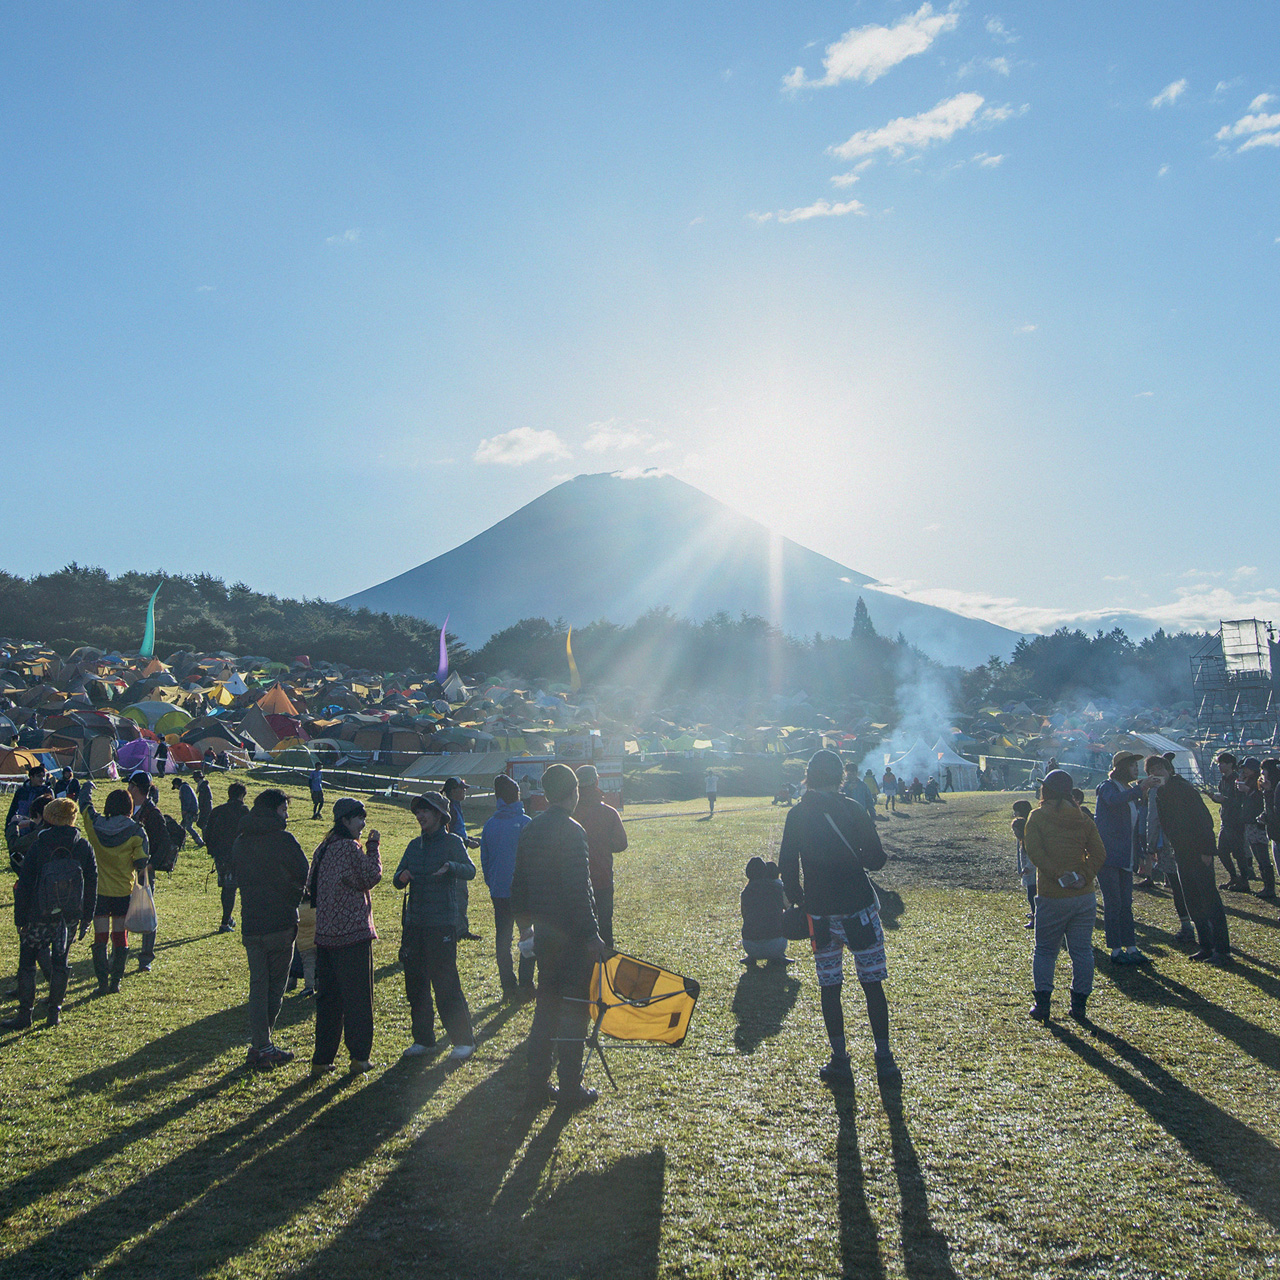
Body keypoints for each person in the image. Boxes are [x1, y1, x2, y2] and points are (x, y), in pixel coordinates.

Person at [779, 749, 897, 1085]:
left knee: (830, 987)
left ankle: (839, 1057)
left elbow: (788, 866)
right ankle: (884, 1057)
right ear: (840, 777)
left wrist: (801, 900)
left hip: (820, 912)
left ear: (809, 776)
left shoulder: (797, 814)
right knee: (872, 985)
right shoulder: (854, 809)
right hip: (859, 908)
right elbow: (875, 859)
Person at [511, 763, 607, 1110]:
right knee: (575, 1013)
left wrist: (525, 927)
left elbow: (517, 884)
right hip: (571, 938)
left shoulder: (531, 829)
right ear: (574, 792)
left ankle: (536, 1085)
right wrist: (592, 935)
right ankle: (570, 1088)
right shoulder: (572, 830)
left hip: (544, 936)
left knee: (546, 1010)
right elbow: (579, 890)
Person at [393, 792, 477, 1060]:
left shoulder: (453, 842)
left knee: (446, 983)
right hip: (415, 924)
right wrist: (401, 877)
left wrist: (451, 867)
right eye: (418, 812)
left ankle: (463, 1041)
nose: (420, 816)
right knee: (415, 985)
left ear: (439, 815)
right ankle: (424, 1040)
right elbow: (397, 878)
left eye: (425, 811)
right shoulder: (413, 845)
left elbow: (470, 870)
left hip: (442, 924)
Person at [1, 798, 97, 1029]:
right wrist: (86, 917)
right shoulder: (82, 845)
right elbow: (92, 881)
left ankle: (25, 1014)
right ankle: (54, 1012)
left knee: (28, 963)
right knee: (60, 963)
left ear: (50, 817)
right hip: (69, 915)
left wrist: (20, 918)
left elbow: (25, 884)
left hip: (38, 913)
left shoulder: (39, 844)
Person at [232, 789, 310, 1069]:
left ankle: (260, 1043)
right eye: (284, 809)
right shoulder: (283, 840)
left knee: (258, 985)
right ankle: (264, 1045)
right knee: (275, 987)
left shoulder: (240, 842)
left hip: (251, 922)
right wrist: (292, 895)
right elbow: (304, 871)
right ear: (275, 809)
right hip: (280, 922)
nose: (287, 815)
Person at [1022, 770, 1107, 1023]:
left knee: (1046, 951)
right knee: (1082, 951)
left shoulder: (1037, 816)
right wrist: (1084, 875)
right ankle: (1079, 1005)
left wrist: (1058, 875)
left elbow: (1034, 852)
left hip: (1051, 894)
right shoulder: (1082, 818)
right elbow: (1099, 854)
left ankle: (1043, 1004)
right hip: (1083, 896)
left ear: (1045, 791)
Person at [308, 797, 382, 1075]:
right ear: (345, 821)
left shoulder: (323, 848)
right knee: (358, 1000)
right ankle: (359, 1058)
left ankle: (321, 1060)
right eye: (359, 818)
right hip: (352, 935)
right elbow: (371, 876)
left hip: (325, 935)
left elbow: (310, 885)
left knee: (328, 1000)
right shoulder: (350, 848)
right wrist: (373, 847)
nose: (363, 824)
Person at [1146, 755, 1231, 961]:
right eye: (1152, 771)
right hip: (1180, 851)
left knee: (1210, 899)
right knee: (1191, 898)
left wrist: (1207, 851)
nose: (1157, 773)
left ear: (1169, 770)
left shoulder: (1183, 789)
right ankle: (1206, 946)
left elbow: (1204, 819)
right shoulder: (1160, 793)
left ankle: (1222, 950)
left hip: (1198, 850)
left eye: (1160, 769)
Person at [78, 783, 148, 995]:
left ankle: (101, 984)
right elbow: (141, 863)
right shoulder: (137, 831)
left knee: (100, 937)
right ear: (129, 807)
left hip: (98, 891)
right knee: (120, 936)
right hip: (122, 892)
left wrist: (87, 788)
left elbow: (84, 806)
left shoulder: (94, 823)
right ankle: (115, 982)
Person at [1094, 751, 1156, 965]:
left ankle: (1131, 947)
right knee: (1113, 903)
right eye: (1132, 766)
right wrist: (1141, 788)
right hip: (1109, 855)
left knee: (1126, 904)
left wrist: (1139, 854)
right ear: (1121, 767)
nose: (1136, 769)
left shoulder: (1130, 790)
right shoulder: (1107, 787)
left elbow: (1133, 825)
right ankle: (1115, 949)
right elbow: (1113, 801)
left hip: (1126, 855)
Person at [480, 773, 534, 998]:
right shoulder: (526, 823)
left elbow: (485, 859)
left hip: (499, 890)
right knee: (528, 936)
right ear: (518, 796)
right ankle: (526, 983)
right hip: (523, 892)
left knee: (502, 939)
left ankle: (507, 985)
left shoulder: (490, 825)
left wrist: (492, 882)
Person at [573, 764, 627, 948]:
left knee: (578, 933)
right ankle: (605, 971)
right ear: (596, 781)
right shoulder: (609, 813)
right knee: (604, 929)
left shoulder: (570, 813)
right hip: (602, 879)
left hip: (574, 883)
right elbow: (621, 844)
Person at [1143, 776, 1197, 944]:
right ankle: (1201, 925)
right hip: (1188, 843)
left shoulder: (1156, 792)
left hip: (1169, 844)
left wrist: (1150, 846)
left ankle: (1188, 925)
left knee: (1178, 887)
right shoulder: (1184, 786)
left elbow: (1153, 819)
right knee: (1190, 885)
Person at [127, 771, 171, 972]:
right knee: (122, 911)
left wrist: (150, 866)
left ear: (136, 788)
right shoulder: (125, 808)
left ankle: (146, 957)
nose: (128, 789)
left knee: (146, 912)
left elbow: (163, 844)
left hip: (144, 871)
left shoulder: (152, 813)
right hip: (125, 870)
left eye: (130, 785)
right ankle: (121, 950)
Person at [205, 781, 250, 932]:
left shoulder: (217, 811)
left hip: (220, 855)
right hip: (236, 855)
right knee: (231, 889)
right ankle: (225, 922)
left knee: (225, 887)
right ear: (242, 795)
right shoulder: (244, 811)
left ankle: (228, 917)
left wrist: (212, 850)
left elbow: (207, 832)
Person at [442, 777, 481, 940]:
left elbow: (459, 831)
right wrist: (467, 842)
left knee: (460, 894)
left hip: (458, 854)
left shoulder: (455, 806)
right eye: (461, 788)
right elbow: (449, 834)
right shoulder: (450, 808)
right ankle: (459, 931)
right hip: (454, 857)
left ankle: (459, 929)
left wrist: (470, 838)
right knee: (459, 894)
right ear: (452, 791)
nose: (464, 791)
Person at [1210, 753, 1250, 891]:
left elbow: (1239, 802)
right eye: (1219, 763)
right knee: (1222, 851)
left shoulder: (1236, 780)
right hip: (1225, 819)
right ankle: (1234, 877)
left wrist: (1224, 800)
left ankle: (1244, 881)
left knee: (1238, 853)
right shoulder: (1223, 780)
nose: (1220, 766)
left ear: (1230, 764)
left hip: (1236, 820)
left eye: (1223, 763)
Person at [1238, 757, 1277, 901]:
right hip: (1250, 822)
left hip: (1258, 824)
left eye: (1246, 768)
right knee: (1258, 856)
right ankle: (1267, 886)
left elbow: (1262, 802)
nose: (1244, 771)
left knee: (1262, 856)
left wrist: (1248, 790)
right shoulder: (1249, 782)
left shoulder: (1261, 784)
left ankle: (1269, 887)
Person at [740, 857, 789, 966]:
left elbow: (745, 915)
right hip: (776, 945)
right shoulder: (777, 887)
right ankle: (779, 956)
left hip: (750, 946)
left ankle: (751, 957)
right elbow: (788, 908)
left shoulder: (746, 892)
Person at [1012, 799, 1035, 929]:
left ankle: (1035, 916)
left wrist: (1026, 867)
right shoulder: (1023, 830)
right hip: (1027, 870)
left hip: (1032, 872)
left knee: (1033, 895)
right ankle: (1034, 913)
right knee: (1031, 895)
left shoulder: (1028, 829)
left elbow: (1031, 854)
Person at [173, 776, 204, 848]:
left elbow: (187, 800)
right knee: (183, 827)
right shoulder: (186, 787)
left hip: (190, 811)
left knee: (188, 827)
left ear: (176, 784)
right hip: (191, 810)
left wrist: (185, 810)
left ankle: (199, 841)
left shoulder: (184, 788)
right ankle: (181, 843)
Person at [196, 771, 213, 836]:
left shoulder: (203, 786)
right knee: (202, 823)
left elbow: (203, 798)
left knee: (202, 823)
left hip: (205, 808)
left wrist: (202, 808)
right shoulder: (203, 785)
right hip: (205, 807)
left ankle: (206, 836)